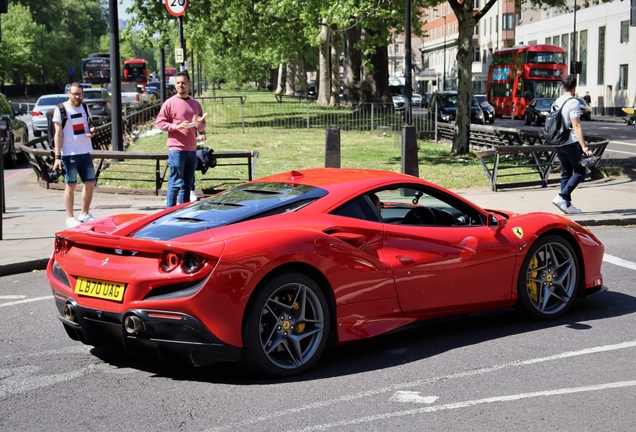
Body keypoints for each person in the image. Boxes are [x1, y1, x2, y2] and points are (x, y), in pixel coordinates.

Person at [156, 72, 206, 208]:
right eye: (178, 83)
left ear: (189, 85)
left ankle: (181, 211)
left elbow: (202, 124)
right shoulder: (169, 103)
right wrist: (176, 126)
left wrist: (199, 125)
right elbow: (159, 123)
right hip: (177, 150)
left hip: (192, 149)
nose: (181, 85)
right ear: (175, 85)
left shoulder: (195, 104)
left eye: (183, 83)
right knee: (175, 183)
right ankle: (169, 211)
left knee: (187, 185)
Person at [52, 82, 97, 228]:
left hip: (85, 150)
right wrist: (57, 157)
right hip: (69, 153)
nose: (78, 97)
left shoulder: (85, 106)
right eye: (75, 94)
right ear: (68, 93)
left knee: (90, 183)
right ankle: (69, 217)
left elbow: (88, 124)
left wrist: (92, 129)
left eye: (80, 94)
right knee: (71, 184)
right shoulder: (61, 109)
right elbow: (58, 134)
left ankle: (84, 213)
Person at [551, 74, 594, 215]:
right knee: (581, 171)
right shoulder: (573, 102)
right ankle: (562, 197)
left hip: (559, 142)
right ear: (574, 87)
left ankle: (566, 205)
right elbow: (576, 125)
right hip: (571, 142)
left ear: (562, 86)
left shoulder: (556, 101)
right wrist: (584, 147)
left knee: (566, 173)